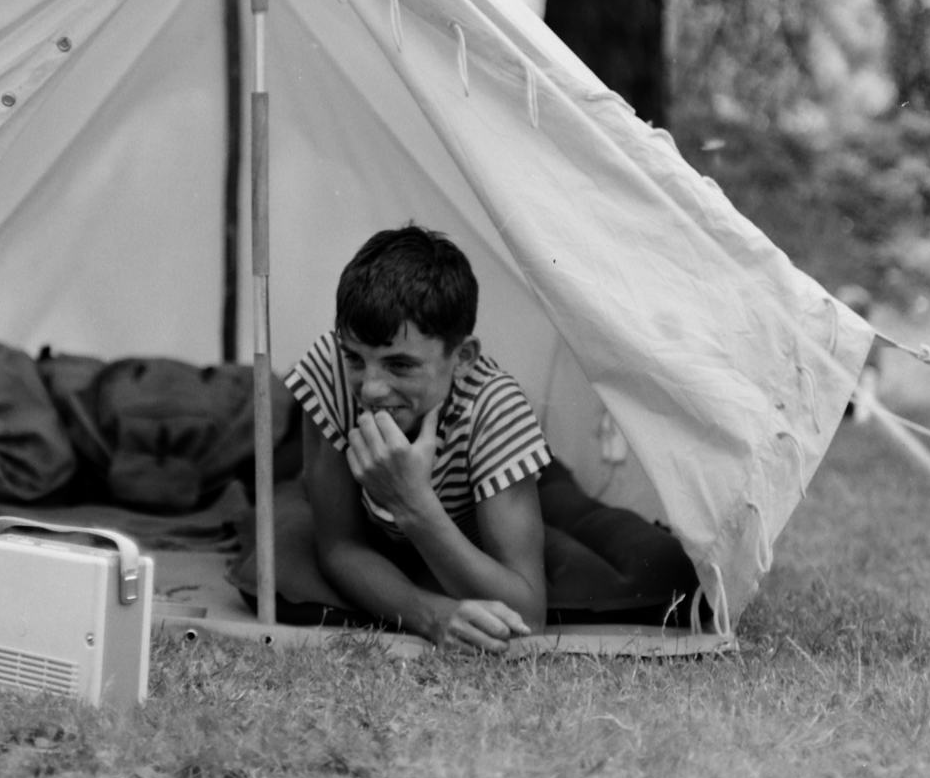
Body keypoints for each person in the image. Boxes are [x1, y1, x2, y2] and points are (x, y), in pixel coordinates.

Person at [282, 225, 702, 653]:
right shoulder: (333, 371)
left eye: (400, 366)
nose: (370, 388)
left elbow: (528, 614)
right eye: (356, 358)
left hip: (492, 492)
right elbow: (338, 545)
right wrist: (431, 615)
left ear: (462, 358)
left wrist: (413, 504)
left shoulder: (495, 408)